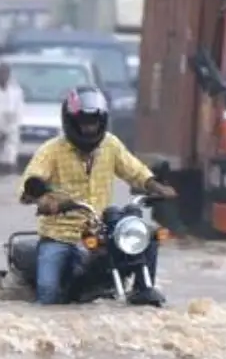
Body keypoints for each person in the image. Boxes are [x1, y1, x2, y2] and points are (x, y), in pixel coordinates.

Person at [17, 86, 177, 306]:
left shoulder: (110, 144)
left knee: (148, 238)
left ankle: (142, 290)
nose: (89, 128)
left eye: (93, 122)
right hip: (59, 235)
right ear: (71, 121)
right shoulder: (51, 150)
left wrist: (154, 185)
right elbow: (30, 183)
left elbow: (133, 170)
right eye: (83, 122)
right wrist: (43, 198)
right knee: (49, 292)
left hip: (98, 232)